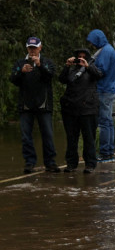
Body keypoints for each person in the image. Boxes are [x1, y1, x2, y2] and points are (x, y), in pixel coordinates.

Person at [11, 37, 60, 173]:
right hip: (26, 105)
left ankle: (50, 163)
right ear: (27, 48)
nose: (32, 50)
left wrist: (39, 65)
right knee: (26, 135)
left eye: (35, 48)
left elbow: (50, 75)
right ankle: (29, 162)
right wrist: (21, 72)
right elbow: (13, 79)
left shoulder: (47, 62)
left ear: (40, 48)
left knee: (48, 134)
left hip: (44, 104)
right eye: (30, 48)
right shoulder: (20, 63)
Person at [58, 47, 101, 173]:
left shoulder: (91, 69)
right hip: (70, 109)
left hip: (88, 109)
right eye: (79, 57)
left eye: (83, 57)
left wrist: (87, 66)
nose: (81, 59)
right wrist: (67, 66)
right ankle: (71, 164)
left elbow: (99, 75)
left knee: (89, 138)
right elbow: (61, 79)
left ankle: (90, 164)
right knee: (71, 138)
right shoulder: (71, 70)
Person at [87, 29, 115, 163]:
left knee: (104, 122)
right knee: (109, 122)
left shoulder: (105, 52)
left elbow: (101, 70)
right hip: (110, 89)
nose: (92, 44)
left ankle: (105, 153)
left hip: (104, 89)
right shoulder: (110, 49)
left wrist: (89, 67)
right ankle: (109, 152)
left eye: (92, 41)